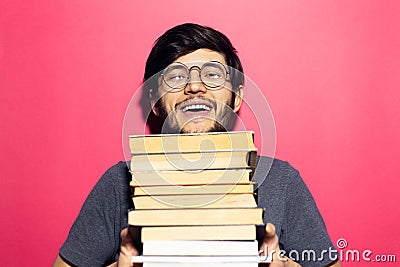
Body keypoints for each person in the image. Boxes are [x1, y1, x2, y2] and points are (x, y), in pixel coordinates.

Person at [53, 23, 341, 267]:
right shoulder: (118, 183)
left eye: (213, 75)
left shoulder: (281, 181)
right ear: (154, 100)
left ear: (237, 97)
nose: (194, 86)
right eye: (176, 76)